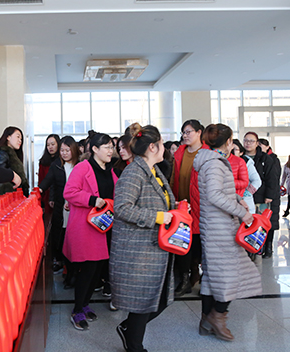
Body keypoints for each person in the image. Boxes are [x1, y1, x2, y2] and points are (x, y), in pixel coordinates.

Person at [193, 124, 261, 342]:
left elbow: (221, 191)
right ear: (228, 141)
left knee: (213, 275)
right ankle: (217, 316)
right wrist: (242, 212)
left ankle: (206, 320)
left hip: (215, 225)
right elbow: (214, 195)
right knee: (232, 274)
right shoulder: (214, 163)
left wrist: (238, 198)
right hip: (219, 227)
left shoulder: (212, 160)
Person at [111, 124, 175, 352]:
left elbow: (163, 201)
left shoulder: (154, 171)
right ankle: (134, 344)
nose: (163, 149)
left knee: (158, 299)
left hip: (155, 247)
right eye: (160, 145)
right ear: (152, 147)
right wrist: (158, 216)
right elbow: (122, 208)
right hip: (139, 250)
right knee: (144, 302)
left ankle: (128, 330)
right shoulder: (133, 172)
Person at [63, 132, 118, 331]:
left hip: (103, 226)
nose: (111, 150)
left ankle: (85, 305)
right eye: (107, 147)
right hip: (86, 226)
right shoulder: (83, 168)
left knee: (97, 270)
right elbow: (69, 192)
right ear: (94, 149)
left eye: (112, 147)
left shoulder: (109, 170)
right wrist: (92, 200)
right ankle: (77, 310)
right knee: (87, 270)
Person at [170, 119, 209, 296]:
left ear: (199, 132)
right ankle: (185, 280)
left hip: (202, 207)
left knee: (201, 247)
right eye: (183, 132)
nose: (185, 135)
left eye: (189, 132)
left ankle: (203, 279)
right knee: (183, 245)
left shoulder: (208, 153)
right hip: (182, 206)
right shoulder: (180, 152)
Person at [39, 136, 79, 283]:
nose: (64, 153)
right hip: (61, 206)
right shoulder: (56, 165)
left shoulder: (81, 164)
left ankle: (74, 269)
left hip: (78, 207)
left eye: (67, 150)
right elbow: (48, 181)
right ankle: (65, 267)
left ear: (73, 150)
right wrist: (39, 191)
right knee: (62, 235)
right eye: (62, 150)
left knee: (76, 236)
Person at [243, 133, 280, 259]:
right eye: (246, 140)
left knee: (264, 222)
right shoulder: (241, 157)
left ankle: (267, 247)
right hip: (246, 197)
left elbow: (272, 178)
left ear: (257, 143)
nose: (248, 143)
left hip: (262, 196)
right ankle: (252, 247)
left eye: (251, 141)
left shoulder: (265, 158)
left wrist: (270, 195)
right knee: (250, 223)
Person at [0, 126, 29, 197]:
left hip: (14, 194)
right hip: (8, 195)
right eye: (18, 137)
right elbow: (1, 174)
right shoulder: (3, 152)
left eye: (21, 139)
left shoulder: (13, 154)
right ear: (8, 137)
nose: (20, 140)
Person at [232, 139, 261, 214]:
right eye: (231, 149)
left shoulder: (246, 163)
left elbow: (257, 181)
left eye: (235, 149)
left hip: (245, 201)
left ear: (241, 152)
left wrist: (246, 193)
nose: (232, 152)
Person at [39, 134, 60, 218]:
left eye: (53, 144)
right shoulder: (43, 161)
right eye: (48, 145)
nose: (50, 147)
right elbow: (41, 180)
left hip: (58, 195)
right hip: (46, 196)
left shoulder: (61, 161)